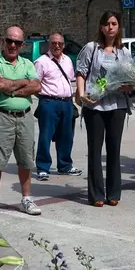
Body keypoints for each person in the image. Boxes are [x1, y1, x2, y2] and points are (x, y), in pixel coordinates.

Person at [0, 27, 43, 221]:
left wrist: (12, 89)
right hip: (2, 117)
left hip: (25, 117)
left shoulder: (27, 63)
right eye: (9, 41)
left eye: (17, 42)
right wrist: (23, 82)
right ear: (4, 41)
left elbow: (37, 86)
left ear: (22, 45)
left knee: (26, 160)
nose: (12, 45)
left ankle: (26, 198)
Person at [76, 11, 133, 207]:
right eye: (107, 24)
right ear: (101, 27)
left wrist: (125, 86)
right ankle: (96, 194)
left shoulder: (124, 52)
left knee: (114, 149)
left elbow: (130, 80)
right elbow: (81, 72)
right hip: (95, 105)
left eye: (114, 24)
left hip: (117, 105)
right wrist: (82, 94)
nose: (110, 27)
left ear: (118, 27)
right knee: (95, 150)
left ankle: (114, 192)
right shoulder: (91, 48)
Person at [33, 32, 82, 181]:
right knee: (45, 136)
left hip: (67, 102)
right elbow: (35, 84)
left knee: (66, 136)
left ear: (63, 45)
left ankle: (65, 165)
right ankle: (43, 167)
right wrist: (45, 98)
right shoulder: (41, 62)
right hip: (49, 102)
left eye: (60, 43)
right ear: (49, 44)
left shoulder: (67, 60)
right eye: (54, 43)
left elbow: (71, 79)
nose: (57, 46)